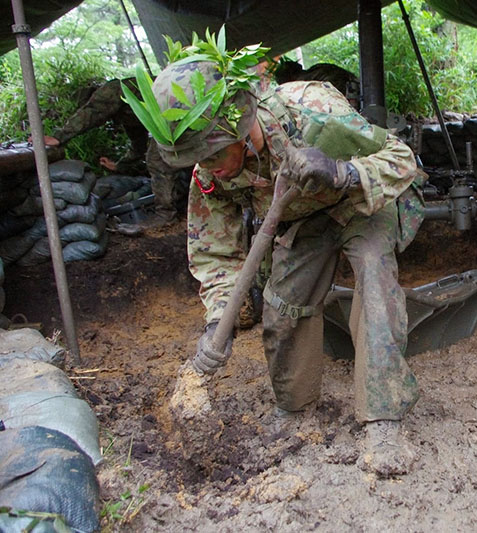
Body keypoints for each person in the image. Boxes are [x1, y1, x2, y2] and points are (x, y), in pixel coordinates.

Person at [146, 54, 423, 476]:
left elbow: (402, 160)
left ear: (238, 125)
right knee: (283, 306)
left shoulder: (309, 107)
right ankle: (295, 407)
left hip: (362, 204)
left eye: (214, 153)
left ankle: (383, 421)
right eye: (198, 160)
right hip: (301, 216)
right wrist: (219, 317)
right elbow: (215, 254)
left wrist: (341, 171)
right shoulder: (211, 174)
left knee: (375, 282)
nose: (209, 167)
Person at [44, 78, 189, 226]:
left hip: (178, 108)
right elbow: (138, 145)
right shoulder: (127, 111)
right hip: (172, 114)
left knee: (157, 161)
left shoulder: (113, 90)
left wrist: (59, 137)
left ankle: (165, 215)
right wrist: (120, 166)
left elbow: (92, 112)